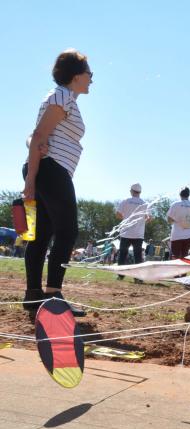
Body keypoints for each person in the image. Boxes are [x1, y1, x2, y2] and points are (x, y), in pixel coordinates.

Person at [21, 50, 93, 317]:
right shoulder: (61, 96)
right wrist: (30, 181)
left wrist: (32, 171)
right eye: (89, 74)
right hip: (51, 171)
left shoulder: (64, 98)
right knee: (67, 231)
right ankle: (53, 295)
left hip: (46, 170)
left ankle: (33, 295)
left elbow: (35, 136)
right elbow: (39, 134)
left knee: (41, 234)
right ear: (76, 76)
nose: (92, 79)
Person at [115, 183, 149, 282]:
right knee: (138, 256)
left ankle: (120, 276)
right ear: (140, 192)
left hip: (126, 232)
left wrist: (125, 219)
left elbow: (117, 214)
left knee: (123, 254)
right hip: (138, 234)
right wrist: (141, 222)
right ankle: (138, 278)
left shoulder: (126, 201)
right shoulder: (145, 203)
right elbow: (149, 218)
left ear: (131, 191)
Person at [166, 187, 190, 260]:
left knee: (175, 258)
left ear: (180, 194)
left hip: (176, 235)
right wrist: (189, 222)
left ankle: (175, 271)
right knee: (184, 258)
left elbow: (169, 219)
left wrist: (177, 220)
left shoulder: (176, 204)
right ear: (189, 195)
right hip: (188, 235)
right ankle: (184, 271)